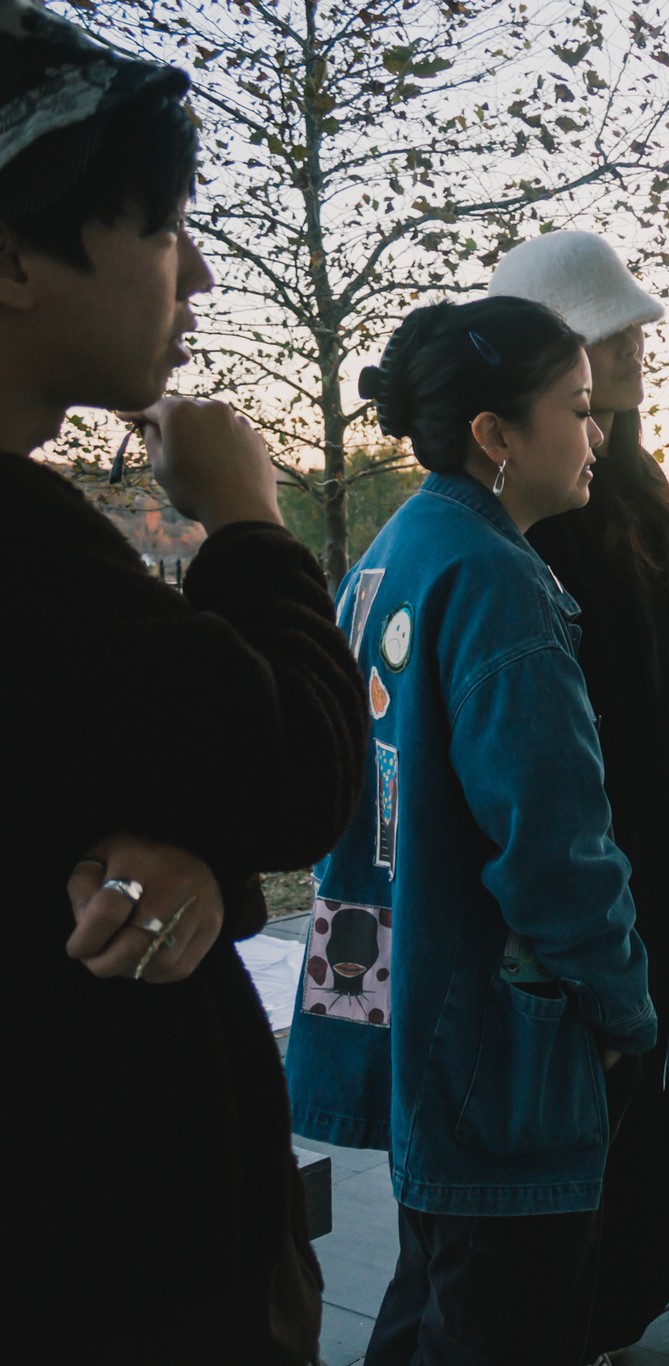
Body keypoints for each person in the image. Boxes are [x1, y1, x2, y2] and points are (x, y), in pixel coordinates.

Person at [3, 5, 368, 1358]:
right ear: (14, 256)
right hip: (115, 1264)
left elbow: (151, 752)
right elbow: (298, 769)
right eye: (159, 226)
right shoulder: (31, 556)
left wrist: (194, 850)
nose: (197, 272)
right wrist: (250, 526)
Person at [284, 295, 658, 1366]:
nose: (598, 434)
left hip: (414, 1008)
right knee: (500, 1315)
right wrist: (623, 1004)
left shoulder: (404, 544)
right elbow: (551, 845)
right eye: (578, 409)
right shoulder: (496, 579)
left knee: (439, 1290)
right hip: (499, 1031)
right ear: (494, 435)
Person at [489, 231, 669, 1355]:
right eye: (604, 345)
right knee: (584, 1088)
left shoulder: (637, 478)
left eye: (632, 343)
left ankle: (620, 1296)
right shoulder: (521, 502)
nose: (632, 364)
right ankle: (576, 1305)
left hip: (667, 823)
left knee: (658, 1071)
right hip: (583, 835)